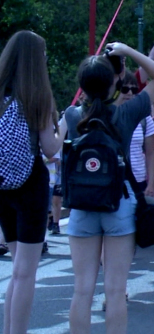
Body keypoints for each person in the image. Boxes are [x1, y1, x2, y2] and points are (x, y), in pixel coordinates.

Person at [64, 42, 154, 334]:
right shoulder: (125, 114)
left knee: (82, 290)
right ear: (116, 83)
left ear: (82, 85)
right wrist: (127, 50)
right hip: (119, 204)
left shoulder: (73, 116)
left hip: (82, 207)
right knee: (115, 290)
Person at [0, 31, 67, 334]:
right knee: (26, 272)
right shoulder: (37, 96)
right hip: (31, 185)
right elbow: (51, 149)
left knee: (17, 268)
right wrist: (62, 125)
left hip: (2, 185)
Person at [115, 71, 154, 197]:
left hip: (138, 181)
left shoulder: (144, 119)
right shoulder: (109, 115)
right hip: (114, 179)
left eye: (134, 89)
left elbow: (150, 153)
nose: (129, 93)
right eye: (125, 89)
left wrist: (151, 184)